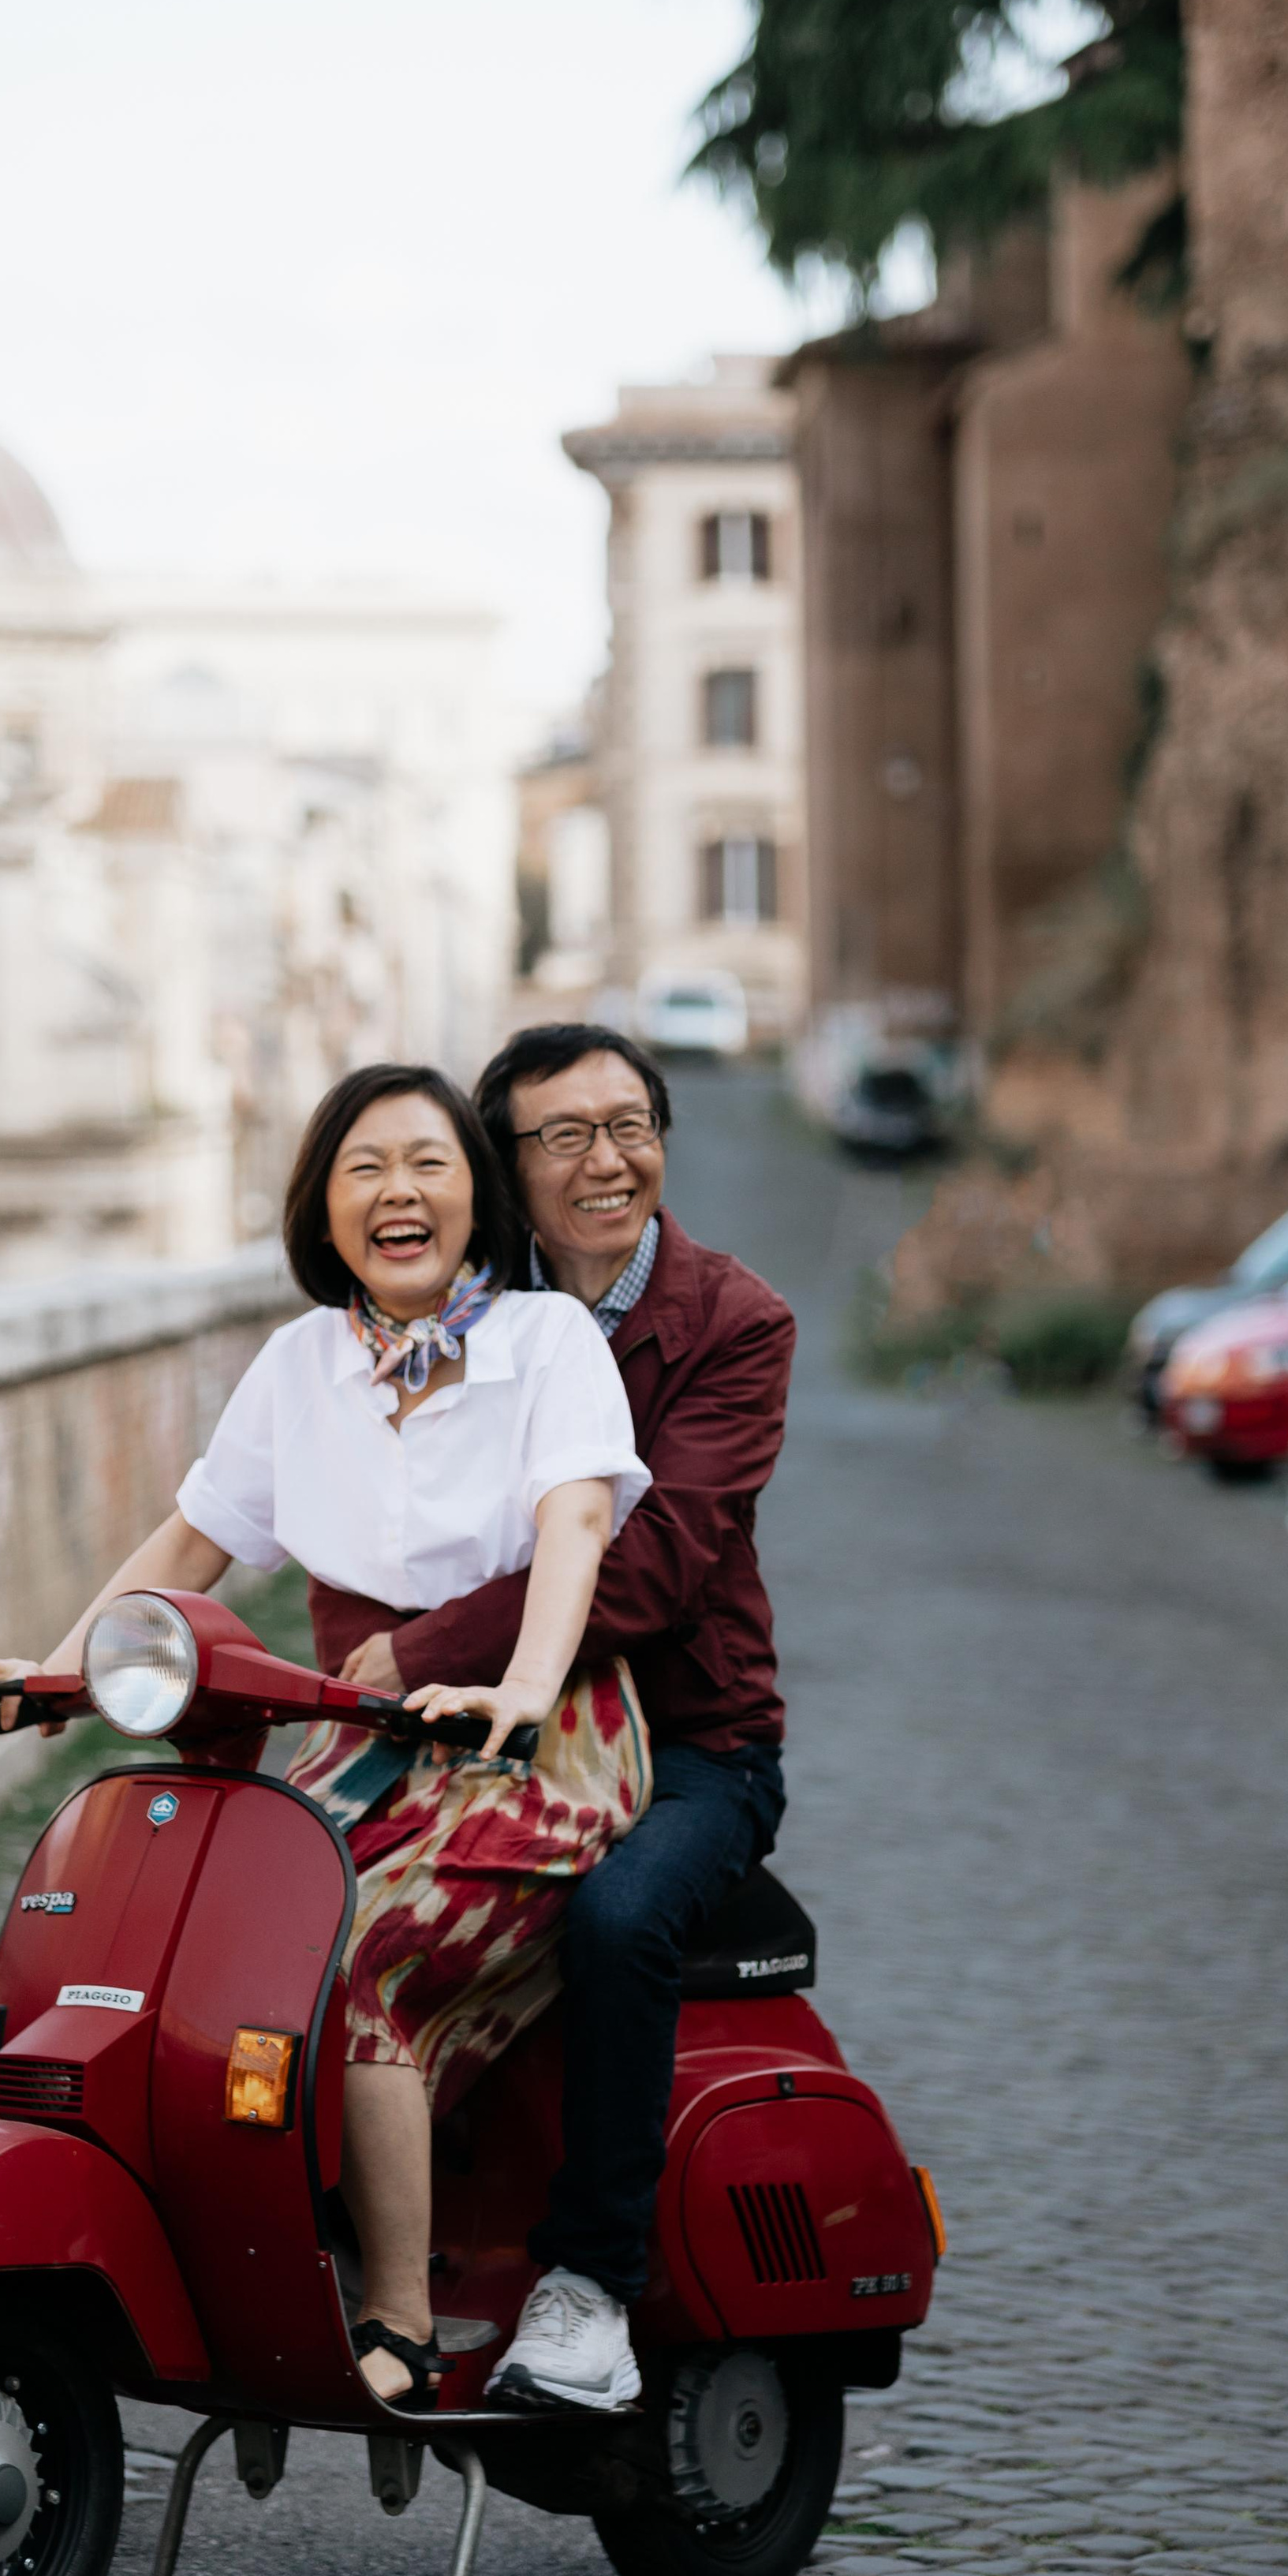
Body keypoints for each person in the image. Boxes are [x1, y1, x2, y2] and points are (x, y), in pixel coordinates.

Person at [0, 1061, 651, 2414]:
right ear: (323, 1212)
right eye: (366, 1170)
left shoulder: (548, 1342)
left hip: (542, 1749)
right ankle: (243, 2257)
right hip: (363, 1747)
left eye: (431, 1165)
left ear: (478, 1196)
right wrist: (54, 1671)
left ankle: (398, 2319)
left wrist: (524, 1682)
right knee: (204, 1952)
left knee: (366, 1959)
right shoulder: (299, 1364)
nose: (402, 1193)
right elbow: (191, 1547)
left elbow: (575, 1525)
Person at [317, 1025, 793, 2411]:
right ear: (503, 1168)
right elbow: (369, 1499)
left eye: (631, 1125)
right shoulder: (468, 1308)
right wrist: (364, 1653)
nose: (609, 1161)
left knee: (620, 1917)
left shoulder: (733, 1321)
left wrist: (412, 1651)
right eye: (565, 1136)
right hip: (480, 1726)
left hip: (696, 1746)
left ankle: (587, 2292)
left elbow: (646, 1568)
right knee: (287, 1905)